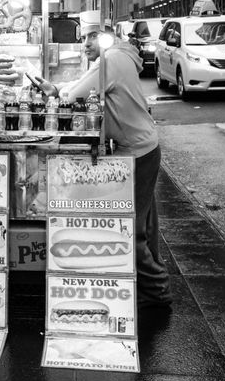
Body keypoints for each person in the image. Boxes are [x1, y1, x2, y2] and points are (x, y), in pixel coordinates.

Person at [34, 22, 172, 311]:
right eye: (83, 37)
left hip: (138, 151)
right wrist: (55, 87)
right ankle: (151, 281)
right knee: (143, 223)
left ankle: (157, 291)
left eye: (92, 37)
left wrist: (56, 93)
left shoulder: (111, 61)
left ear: (107, 37)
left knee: (128, 228)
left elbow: (76, 95)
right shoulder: (117, 58)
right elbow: (82, 84)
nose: (86, 43)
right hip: (141, 147)